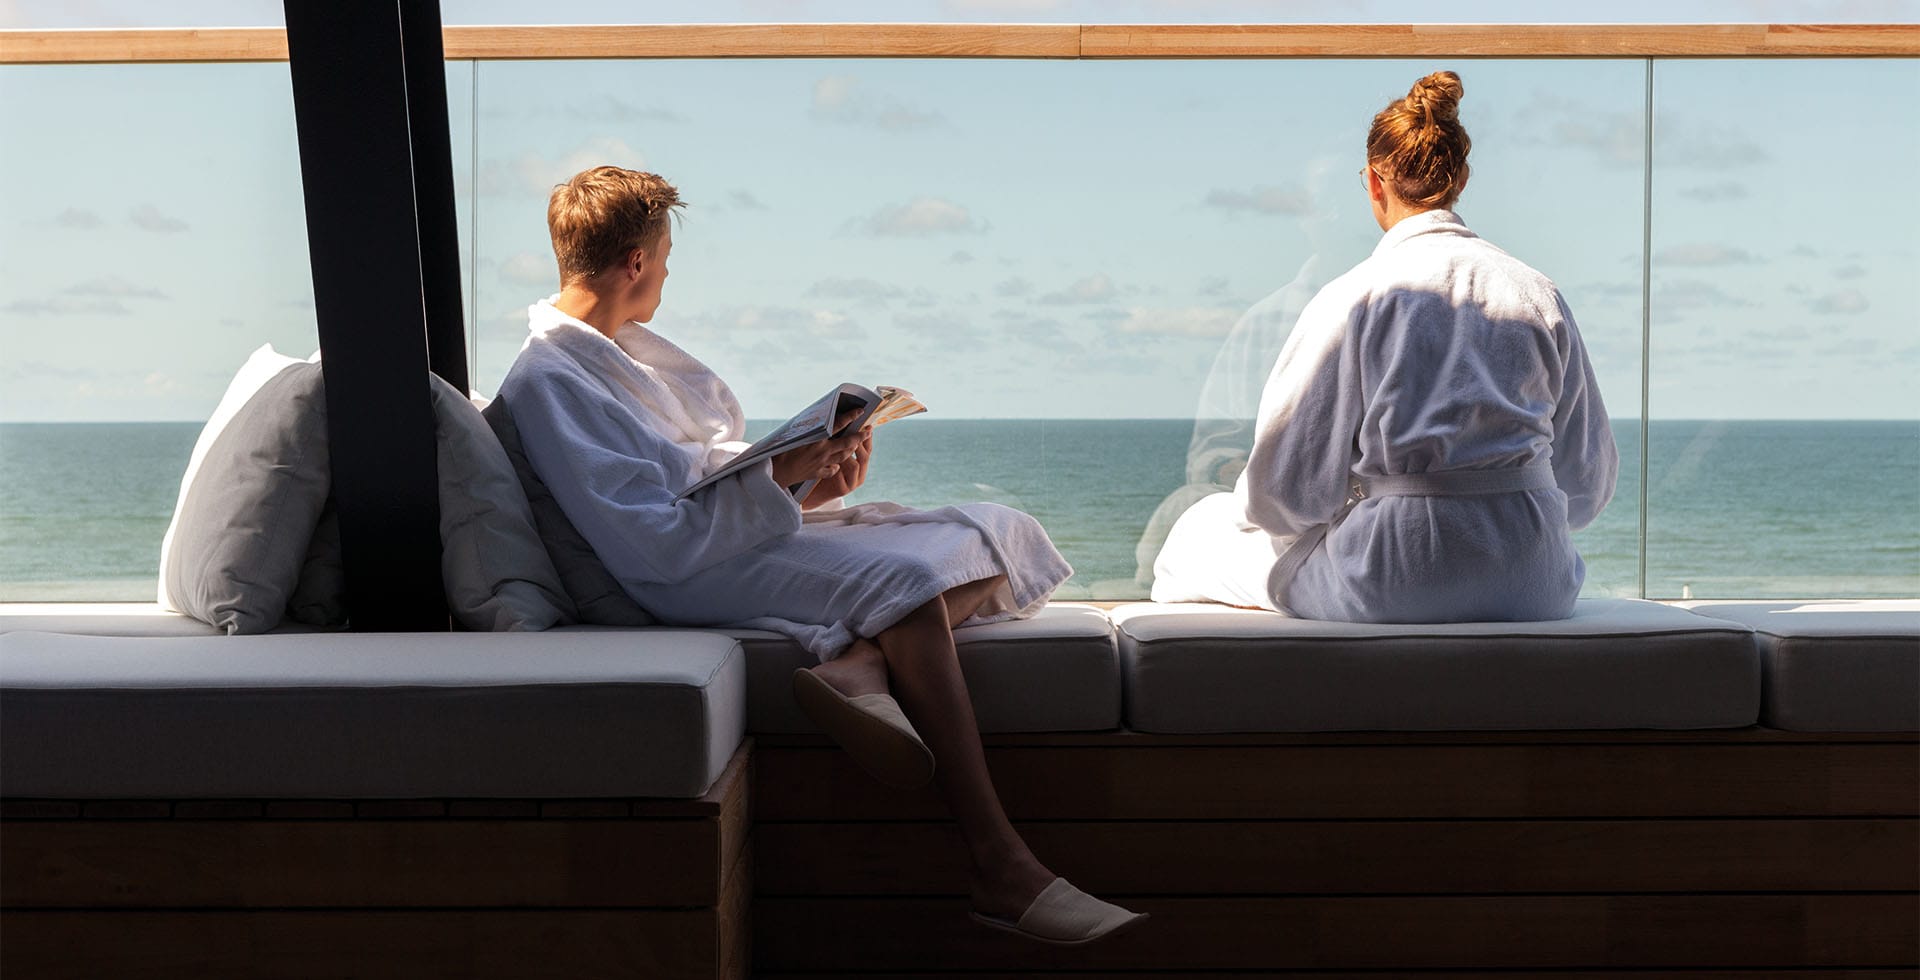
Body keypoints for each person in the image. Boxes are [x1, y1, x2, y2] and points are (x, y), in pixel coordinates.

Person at [493, 166, 1144, 945]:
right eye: (664, 257)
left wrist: (809, 482)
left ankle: (859, 663)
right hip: (682, 577)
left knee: (994, 530)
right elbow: (651, 541)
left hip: (724, 537)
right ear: (636, 261)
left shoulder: (608, 357)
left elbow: (693, 480)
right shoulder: (549, 380)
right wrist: (781, 475)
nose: (667, 273)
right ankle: (1000, 862)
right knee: (906, 580)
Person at [1152, 71, 1617, 623]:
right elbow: (1585, 485)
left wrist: (1364, 497)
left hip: (1398, 575)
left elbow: (1284, 495)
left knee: (1197, 531)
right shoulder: (1538, 294)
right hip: (1536, 581)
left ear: (1374, 183)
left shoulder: (1353, 298)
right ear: (1462, 177)